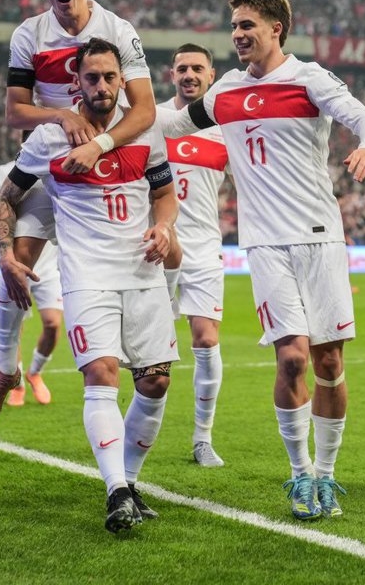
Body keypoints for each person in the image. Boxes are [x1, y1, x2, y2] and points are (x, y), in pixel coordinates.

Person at [161, 0, 365, 520]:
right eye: (234, 26)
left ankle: (328, 476)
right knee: (291, 358)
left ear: (275, 29)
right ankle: (301, 474)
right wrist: (109, 122)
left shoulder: (310, 80)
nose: (238, 34)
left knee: (329, 359)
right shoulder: (225, 93)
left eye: (246, 26)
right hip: (263, 244)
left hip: (320, 238)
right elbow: (168, 126)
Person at [0, 38, 179, 533]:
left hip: (143, 275)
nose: (100, 86)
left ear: (123, 81)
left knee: (156, 381)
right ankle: (115, 490)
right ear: (75, 82)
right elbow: (5, 200)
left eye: (109, 77)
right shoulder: (50, 139)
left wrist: (164, 227)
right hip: (87, 278)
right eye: (91, 77)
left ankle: (130, 484)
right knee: (102, 375)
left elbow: (164, 193)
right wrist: (5, 253)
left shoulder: (145, 131)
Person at [0, 0, 157, 415]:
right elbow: (15, 113)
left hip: (109, 164)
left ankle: (148, 357)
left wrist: (99, 143)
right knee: (15, 262)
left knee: (148, 255)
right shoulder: (28, 35)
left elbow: (144, 111)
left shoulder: (118, 30)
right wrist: (61, 118)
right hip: (50, 165)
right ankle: (4, 369)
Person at [158, 43, 230, 467]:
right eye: (182, 68)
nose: (189, 74)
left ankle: (203, 438)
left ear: (211, 74)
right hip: (154, 250)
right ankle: (139, 433)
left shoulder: (226, 130)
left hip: (203, 249)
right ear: (172, 75)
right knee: (153, 357)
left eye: (197, 68)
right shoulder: (155, 121)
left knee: (206, 339)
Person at [0, 163, 62, 416]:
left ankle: (35, 372)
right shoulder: (5, 172)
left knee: (53, 324)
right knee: (17, 323)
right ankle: (17, 381)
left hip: (49, 262)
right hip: (17, 256)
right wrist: (16, 210)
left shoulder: (62, 162)